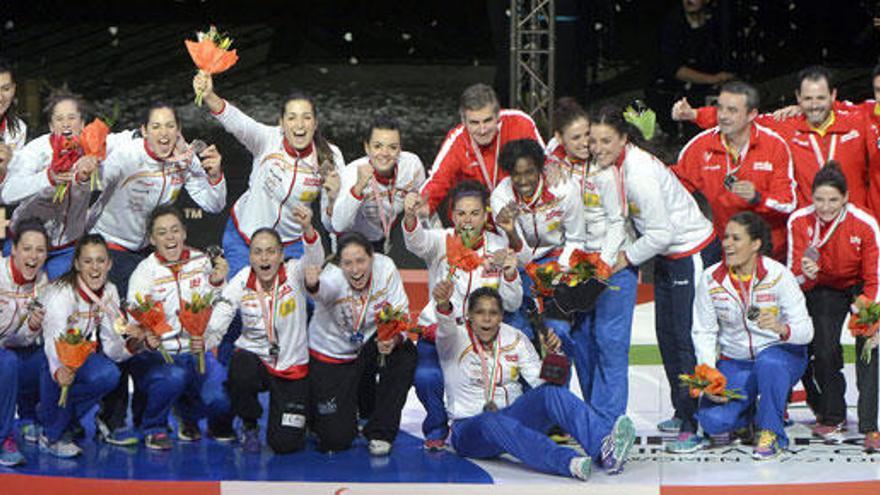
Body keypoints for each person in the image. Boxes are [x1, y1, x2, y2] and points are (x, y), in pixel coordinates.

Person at [589, 106, 720, 440]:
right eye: (594, 141)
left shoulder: (640, 173)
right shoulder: (614, 166)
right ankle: (683, 410)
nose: (598, 148)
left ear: (623, 139)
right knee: (668, 335)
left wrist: (625, 259)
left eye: (606, 140)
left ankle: (698, 422)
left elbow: (660, 233)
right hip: (665, 256)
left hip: (690, 253)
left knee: (688, 338)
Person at [432, 282, 636, 480]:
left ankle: (605, 450)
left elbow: (543, 383)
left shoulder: (515, 337)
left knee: (551, 394)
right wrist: (443, 304)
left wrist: (555, 353)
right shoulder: (453, 339)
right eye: (479, 312)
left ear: (501, 317)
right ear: (469, 315)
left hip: (514, 417)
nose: (486, 319)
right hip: (470, 429)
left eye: (493, 313)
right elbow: (445, 324)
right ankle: (567, 462)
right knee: (490, 420)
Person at [666, 212, 813, 458]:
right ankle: (749, 416)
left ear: (755, 244)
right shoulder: (711, 279)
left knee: (769, 363)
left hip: (782, 355)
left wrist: (781, 328)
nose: (727, 244)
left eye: (736, 238)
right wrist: (709, 374)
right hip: (736, 360)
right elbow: (703, 330)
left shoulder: (779, 276)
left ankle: (772, 433)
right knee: (715, 422)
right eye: (725, 237)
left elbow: (807, 332)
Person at [402, 180, 521, 449]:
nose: (468, 220)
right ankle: (435, 427)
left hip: (479, 338)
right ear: (452, 215)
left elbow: (512, 303)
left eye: (475, 213)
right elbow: (415, 241)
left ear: (486, 215)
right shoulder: (439, 240)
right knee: (426, 377)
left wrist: (511, 273)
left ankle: (476, 426)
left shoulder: (498, 246)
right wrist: (410, 216)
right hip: (437, 330)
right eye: (461, 213)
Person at [192, 72, 345, 276]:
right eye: (292, 118)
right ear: (281, 123)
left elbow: (332, 222)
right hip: (244, 238)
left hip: (291, 246)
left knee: (305, 302)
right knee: (241, 301)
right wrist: (210, 95)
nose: (299, 125)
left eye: (306, 118)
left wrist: (334, 199)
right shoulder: (267, 139)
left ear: (315, 124)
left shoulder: (330, 156)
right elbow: (237, 122)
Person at [673, 66, 873, 214]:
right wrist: (695, 114)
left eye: (820, 98)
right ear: (798, 97)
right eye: (808, 99)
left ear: (833, 95)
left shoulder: (856, 117)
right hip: (808, 223)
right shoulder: (786, 123)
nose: (814, 106)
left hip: (855, 220)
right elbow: (741, 118)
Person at [545, 98, 636, 425]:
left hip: (612, 265)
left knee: (610, 344)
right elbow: (551, 144)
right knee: (580, 343)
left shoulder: (606, 169)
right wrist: (550, 154)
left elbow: (617, 222)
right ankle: (591, 419)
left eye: (589, 136)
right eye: (578, 138)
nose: (586, 144)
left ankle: (608, 423)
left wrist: (606, 264)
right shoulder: (554, 164)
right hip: (575, 264)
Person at [206, 207, 324, 454]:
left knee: (285, 445)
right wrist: (204, 340)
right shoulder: (242, 280)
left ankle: (303, 419)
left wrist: (307, 229)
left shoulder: (294, 272)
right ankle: (249, 424)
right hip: (256, 359)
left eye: (271, 251)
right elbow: (222, 314)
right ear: (250, 257)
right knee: (240, 366)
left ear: (281, 255)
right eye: (257, 252)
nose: (264, 258)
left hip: (291, 366)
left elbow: (315, 259)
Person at [89, 102, 226, 298]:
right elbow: (96, 181)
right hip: (111, 245)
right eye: (156, 126)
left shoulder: (184, 158)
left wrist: (215, 177)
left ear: (178, 130)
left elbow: (214, 204)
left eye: (170, 126)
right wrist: (92, 160)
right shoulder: (126, 154)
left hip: (149, 249)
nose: (164, 133)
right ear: (144, 130)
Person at [787, 163, 880, 450]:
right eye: (819, 199)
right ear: (811, 197)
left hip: (860, 290)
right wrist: (806, 275)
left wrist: (867, 316)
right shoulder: (799, 221)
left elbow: (875, 276)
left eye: (833, 200)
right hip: (822, 288)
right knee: (824, 349)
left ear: (846, 198)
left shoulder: (864, 222)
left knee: (869, 349)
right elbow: (792, 278)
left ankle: (870, 426)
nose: (825, 207)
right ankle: (833, 414)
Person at [124, 206, 233, 449]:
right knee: (175, 377)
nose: (170, 237)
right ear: (152, 240)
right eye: (162, 233)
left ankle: (189, 416)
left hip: (196, 350)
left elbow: (221, 305)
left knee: (221, 397)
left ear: (184, 233)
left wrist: (217, 283)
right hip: (159, 355)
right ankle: (154, 426)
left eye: (175, 230)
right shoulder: (144, 273)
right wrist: (146, 336)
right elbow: (134, 325)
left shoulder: (203, 262)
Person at [305, 232, 416, 456]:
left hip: (367, 345)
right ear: (340, 264)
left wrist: (394, 338)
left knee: (405, 353)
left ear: (372, 257)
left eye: (360, 261)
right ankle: (318, 415)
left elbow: (402, 313)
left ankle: (380, 432)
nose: (355, 270)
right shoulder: (333, 277)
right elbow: (321, 292)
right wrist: (313, 285)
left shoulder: (386, 268)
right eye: (348, 263)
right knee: (334, 439)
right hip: (332, 355)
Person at [37, 234, 144, 458]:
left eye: (100, 261)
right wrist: (58, 371)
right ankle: (51, 434)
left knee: (108, 374)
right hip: (46, 356)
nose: (95, 268)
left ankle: (55, 414)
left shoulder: (110, 291)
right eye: (87, 261)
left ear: (109, 263)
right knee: (58, 374)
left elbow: (112, 346)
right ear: (77, 264)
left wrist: (133, 345)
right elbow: (51, 343)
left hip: (76, 355)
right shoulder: (61, 293)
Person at [674, 81, 796, 261]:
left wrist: (758, 198)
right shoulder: (700, 147)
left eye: (732, 111)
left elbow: (788, 203)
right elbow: (672, 191)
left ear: (751, 114)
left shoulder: (774, 146)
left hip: (771, 253)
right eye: (720, 109)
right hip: (725, 251)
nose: (723, 116)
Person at [0, 88, 104, 279]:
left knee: (58, 303)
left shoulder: (94, 150)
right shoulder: (36, 151)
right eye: (59, 119)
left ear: (82, 123)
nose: (66, 124)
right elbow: (8, 193)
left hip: (66, 248)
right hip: (25, 243)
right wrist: (47, 178)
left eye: (72, 117)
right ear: (50, 125)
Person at [490, 138, 587, 340]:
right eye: (517, 174)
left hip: (559, 260)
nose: (523, 180)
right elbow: (522, 258)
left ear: (541, 169)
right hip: (522, 264)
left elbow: (576, 239)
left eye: (529, 172)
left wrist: (558, 273)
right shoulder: (501, 197)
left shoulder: (565, 189)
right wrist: (511, 232)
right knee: (519, 331)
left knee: (558, 332)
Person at [420, 83, 544, 215]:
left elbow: (546, 160)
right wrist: (422, 205)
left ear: (497, 116)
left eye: (487, 121)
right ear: (464, 121)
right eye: (474, 123)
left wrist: (555, 166)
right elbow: (437, 182)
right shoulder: (457, 140)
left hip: (521, 212)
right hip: (479, 221)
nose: (482, 130)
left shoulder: (519, 122)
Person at [326, 115, 425, 253]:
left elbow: (425, 205)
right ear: (367, 148)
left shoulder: (413, 166)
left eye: (392, 147)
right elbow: (338, 225)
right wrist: (358, 187)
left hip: (382, 239)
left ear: (400, 149)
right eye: (377, 146)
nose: (384, 153)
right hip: (349, 243)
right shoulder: (351, 174)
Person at [645, 0, 734, 138]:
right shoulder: (672, 24)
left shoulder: (716, 21)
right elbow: (674, 69)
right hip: (674, 86)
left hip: (709, 81)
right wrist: (713, 79)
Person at [0, 220, 50, 467]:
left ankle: (35, 419)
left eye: (40, 250)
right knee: (7, 361)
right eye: (27, 249)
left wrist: (32, 327)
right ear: (14, 249)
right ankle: (3, 439)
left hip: (9, 348)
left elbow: (21, 339)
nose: (33, 256)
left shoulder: (41, 283)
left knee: (44, 356)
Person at [0, 58, 26, 176]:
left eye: (6, 89)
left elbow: (15, 186)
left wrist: (9, 164)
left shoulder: (18, 130)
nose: (0, 98)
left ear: (14, 89)